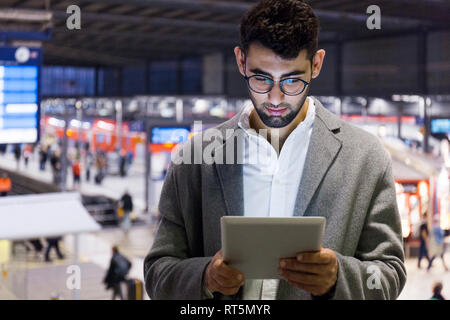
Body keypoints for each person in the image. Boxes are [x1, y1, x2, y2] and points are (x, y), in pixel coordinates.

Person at [144, 0, 406, 300]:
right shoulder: (195, 159)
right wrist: (206, 277)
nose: (276, 97)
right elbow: (157, 273)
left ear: (316, 64)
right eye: (261, 78)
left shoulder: (365, 158)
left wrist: (338, 278)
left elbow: (389, 272)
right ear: (241, 61)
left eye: (292, 80)